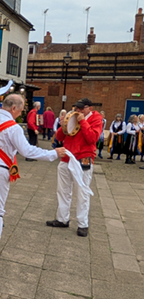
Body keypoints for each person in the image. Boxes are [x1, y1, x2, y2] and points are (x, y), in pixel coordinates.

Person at [0, 94, 66, 257]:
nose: (19, 114)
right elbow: (27, 151)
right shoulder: (13, 128)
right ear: (13, 108)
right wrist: (53, 154)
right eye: (19, 111)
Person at [46, 97, 103, 237]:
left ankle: (83, 224)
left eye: (81, 108)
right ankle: (62, 219)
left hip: (83, 158)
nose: (78, 110)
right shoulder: (72, 116)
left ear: (89, 108)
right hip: (67, 156)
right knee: (63, 190)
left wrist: (82, 121)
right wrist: (62, 124)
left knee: (82, 193)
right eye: (77, 108)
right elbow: (59, 136)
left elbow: (92, 138)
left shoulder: (96, 119)